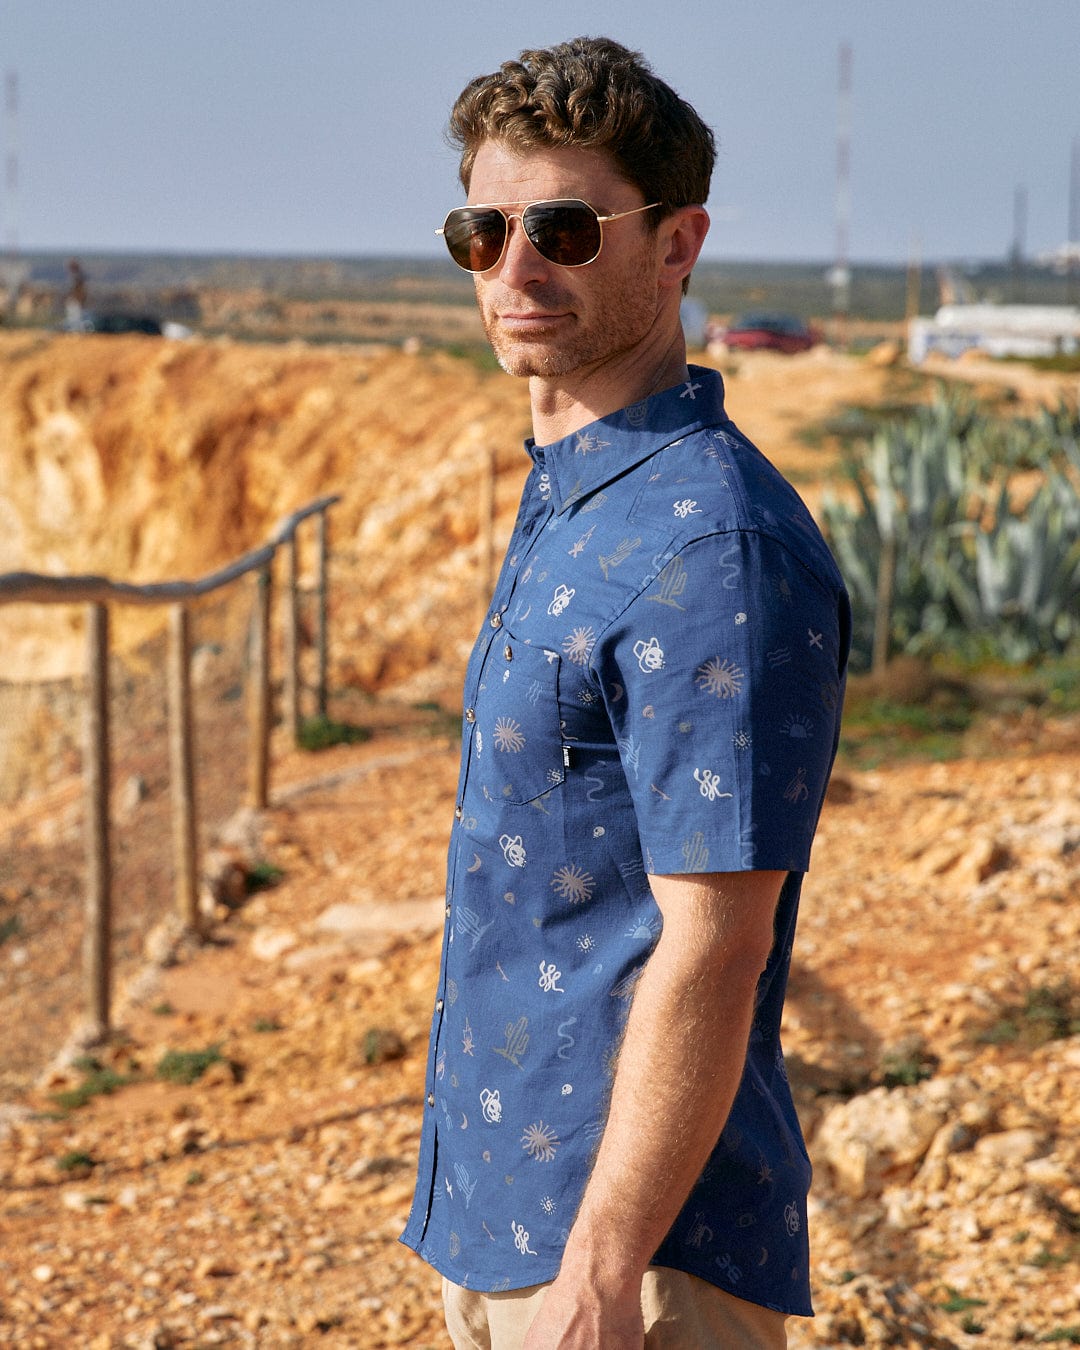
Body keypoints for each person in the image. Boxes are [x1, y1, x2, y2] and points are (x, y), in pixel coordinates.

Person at [401, 36, 851, 1350]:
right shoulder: (579, 497)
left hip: (637, 1268)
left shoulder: (706, 541)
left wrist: (599, 1274)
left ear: (678, 243)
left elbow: (716, 935)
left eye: (563, 227)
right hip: (508, 1224)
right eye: (482, 231)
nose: (517, 267)